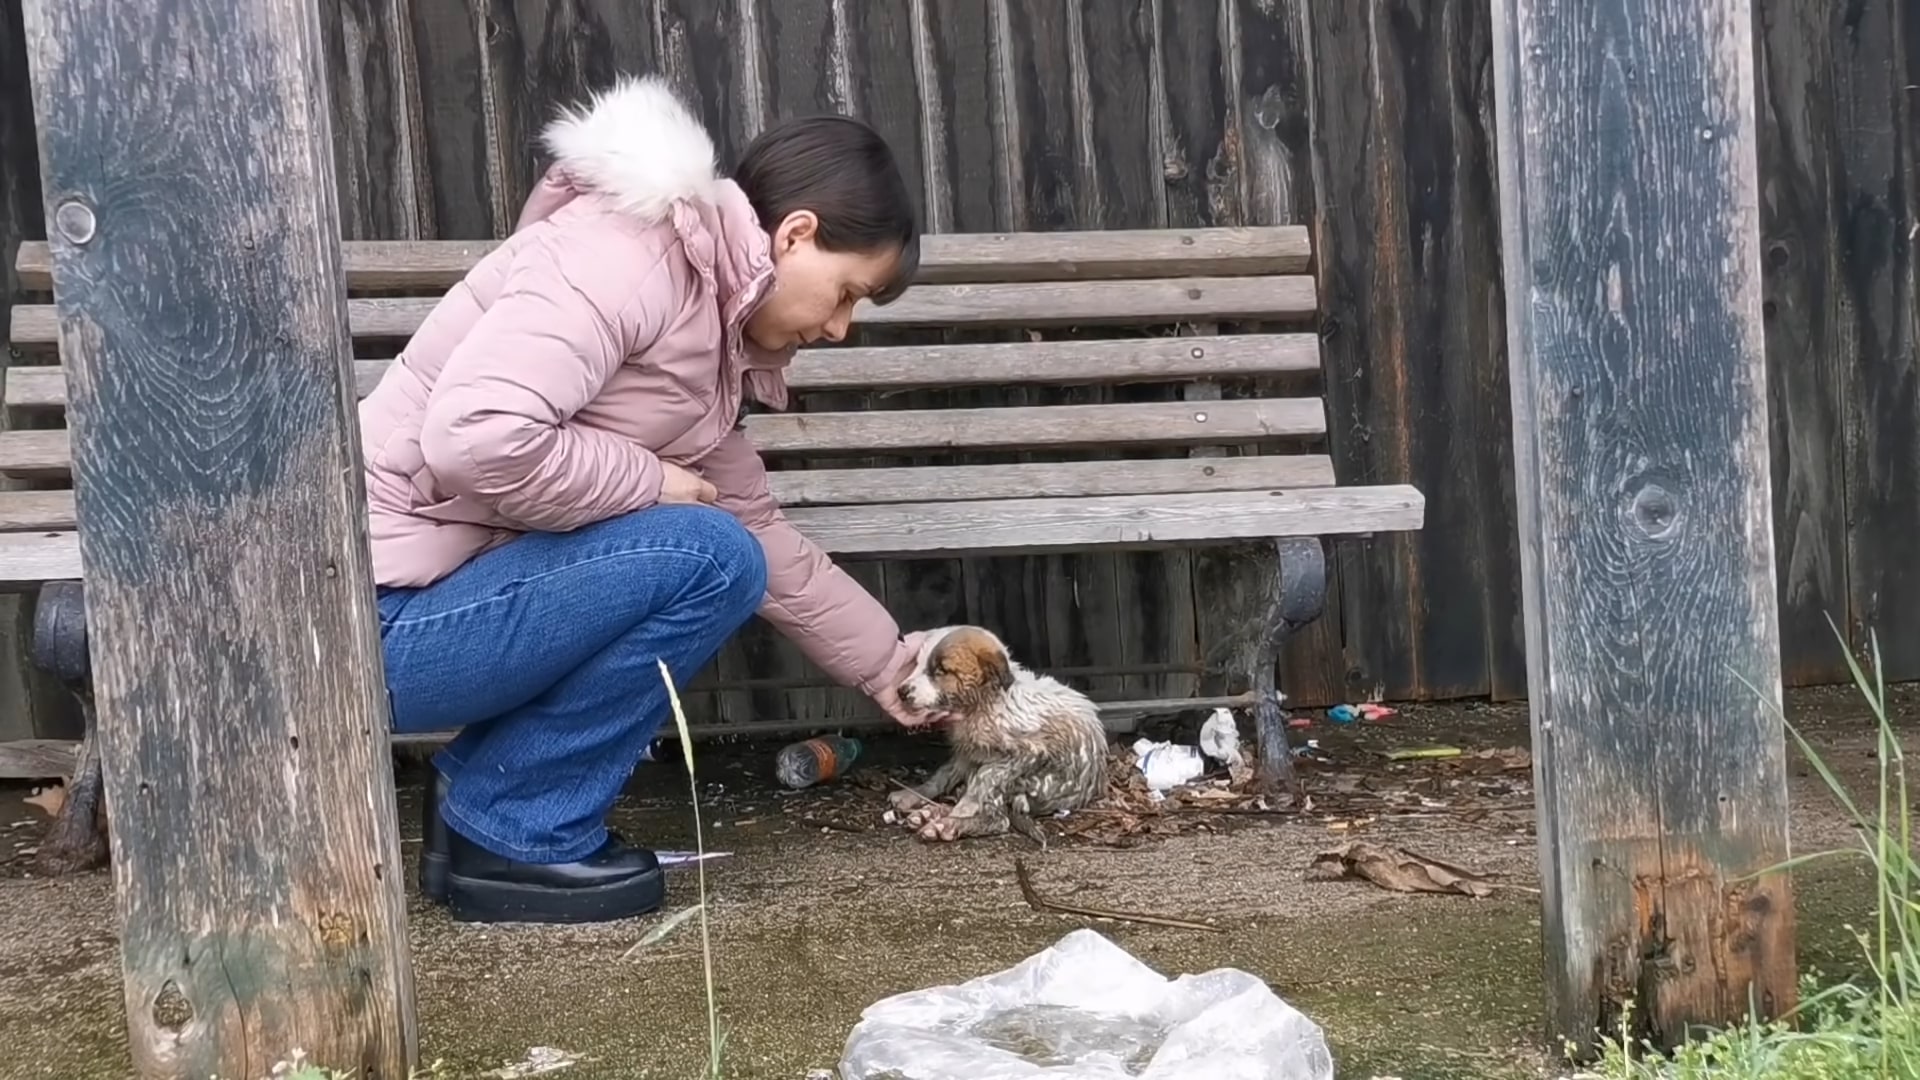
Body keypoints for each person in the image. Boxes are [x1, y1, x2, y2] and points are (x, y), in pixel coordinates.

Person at [358, 75, 936, 925]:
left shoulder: (704, 339)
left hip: (423, 613)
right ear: (797, 235)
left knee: (723, 549)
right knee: (708, 556)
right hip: (365, 631)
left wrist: (892, 668)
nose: (841, 327)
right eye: (848, 291)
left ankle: (490, 811)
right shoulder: (629, 257)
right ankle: (517, 828)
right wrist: (650, 481)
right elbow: (477, 435)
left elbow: (762, 535)